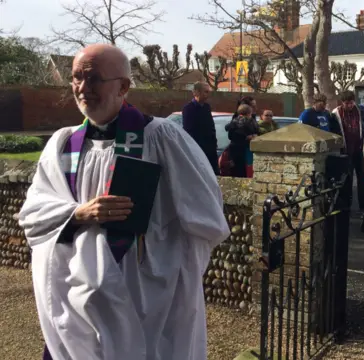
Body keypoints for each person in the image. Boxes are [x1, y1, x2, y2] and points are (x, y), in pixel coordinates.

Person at [18, 43, 230, 360]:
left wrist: (167, 262)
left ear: (124, 87)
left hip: (144, 291)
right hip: (74, 290)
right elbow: (33, 214)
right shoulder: (63, 144)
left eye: (93, 79)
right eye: (76, 78)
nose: (82, 88)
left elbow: (206, 217)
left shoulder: (161, 138)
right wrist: (78, 213)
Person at [332, 90, 364, 212]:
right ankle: (347, 207)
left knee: (362, 179)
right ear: (342, 102)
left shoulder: (362, 111)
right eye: (347, 103)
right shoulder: (335, 113)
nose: (350, 105)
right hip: (345, 151)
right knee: (347, 180)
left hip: (359, 150)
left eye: (352, 102)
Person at [182, 81, 220, 175]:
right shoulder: (188, 109)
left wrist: (214, 143)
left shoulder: (207, 107)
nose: (207, 94)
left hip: (210, 150)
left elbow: (211, 127)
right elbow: (188, 131)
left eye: (208, 92)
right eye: (205, 92)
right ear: (197, 92)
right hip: (198, 150)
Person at [226, 103, 259, 178]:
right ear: (249, 113)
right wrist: (249, 137)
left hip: (235, 151)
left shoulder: (234, 121)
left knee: (237, 173)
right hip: (244, 150)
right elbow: (256, 132)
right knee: (244, 172)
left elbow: (230, 136)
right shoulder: (250, 122)